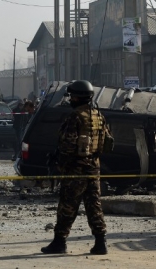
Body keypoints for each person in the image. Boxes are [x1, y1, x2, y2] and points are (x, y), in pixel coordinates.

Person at [41, 80, 111, 255]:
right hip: (93, 167)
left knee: (67, 205)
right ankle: (101, 242)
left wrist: (59, 163)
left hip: (76, 169)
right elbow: (107, 142)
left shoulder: (75, 117)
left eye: (72, 96)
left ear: (78, 97)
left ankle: (59, 242)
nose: (70, 99)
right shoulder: (98, 115)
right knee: (94, 204)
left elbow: (68, 144)